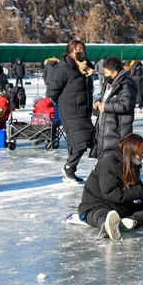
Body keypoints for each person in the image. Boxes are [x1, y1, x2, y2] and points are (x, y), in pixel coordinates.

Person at [78, 134, 143, 240]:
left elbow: (134, 186)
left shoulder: (131, 164)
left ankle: (129, 222)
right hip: (96, 205)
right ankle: (108, 226)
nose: (142, 157)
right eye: (140, 154)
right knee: (102, 215)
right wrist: (142, 191)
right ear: (131, 153)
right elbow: (112, 194)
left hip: (121, 207)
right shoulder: (108, 164)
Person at [47, 39, 94, 183]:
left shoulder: (85, 68)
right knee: (79, 140)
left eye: (82, 49)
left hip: (83, 110)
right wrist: (65, 102)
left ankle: (70, 169)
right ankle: (69, 168)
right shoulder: (64, 68)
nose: (81, 52)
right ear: (70, 52)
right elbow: (52, 91)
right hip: (70, 111)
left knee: (87, 139)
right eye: (77, 50)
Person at [91, 56, 137, 160]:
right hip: (105, 130)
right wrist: (98, 103)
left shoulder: (126, 85)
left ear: (115, 73)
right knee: (105, 162)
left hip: (118, 132)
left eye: (106, 73)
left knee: (115, 161)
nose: (105, 76)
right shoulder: (108, 84)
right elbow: (105, 99)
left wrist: (106, 107)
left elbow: (126, 105)